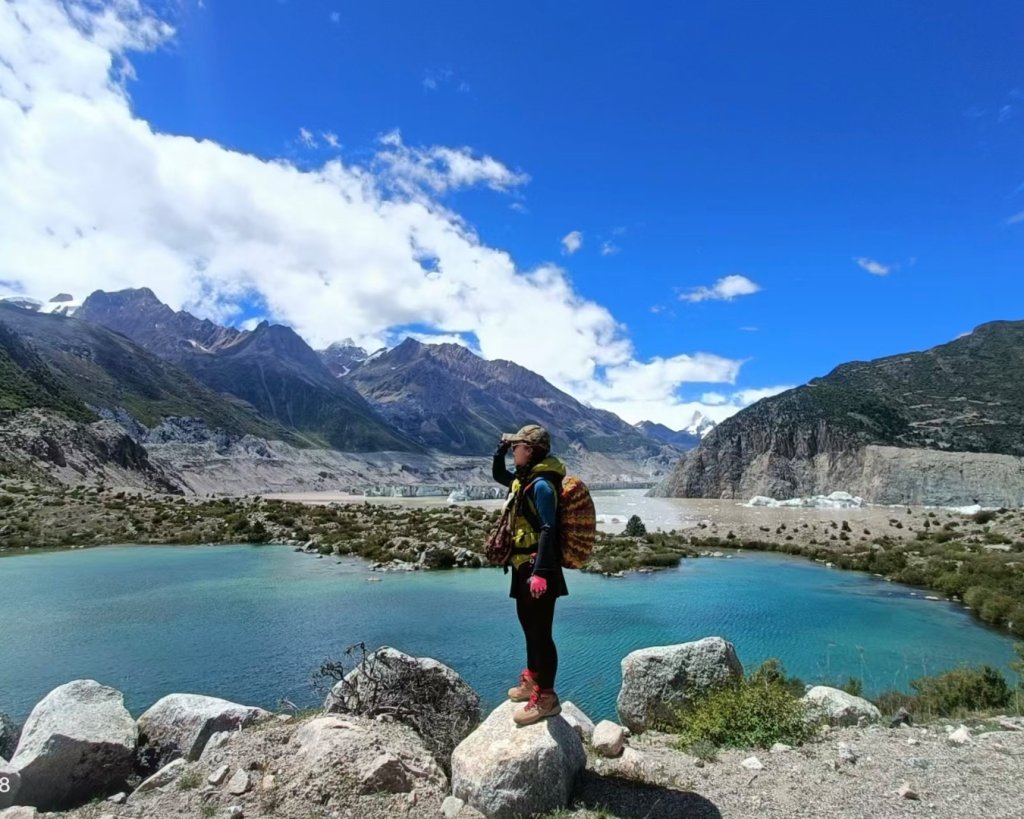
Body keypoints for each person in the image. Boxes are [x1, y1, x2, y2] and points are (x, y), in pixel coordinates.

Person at [492, 423, 568, 726]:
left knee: (541, 632)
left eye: (517, 447)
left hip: (540, 569)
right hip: (523, 566)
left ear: (532, 450)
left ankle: (547, 697)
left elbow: (549, 529)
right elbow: (500, 476)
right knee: (528, 627)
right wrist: (498, 452)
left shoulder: (541, 486)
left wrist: (540, 573)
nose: (514, 452)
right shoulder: (523, 481)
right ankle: (532, 681)